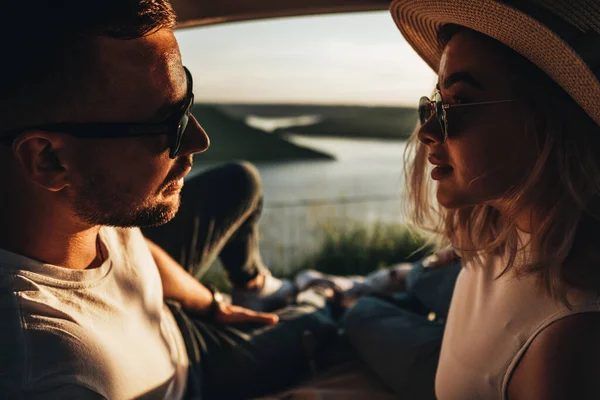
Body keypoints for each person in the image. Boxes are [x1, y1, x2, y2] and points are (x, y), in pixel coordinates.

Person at [0, 2, 338, 399]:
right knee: (324, 319)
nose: (200, 140)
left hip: (165, 322)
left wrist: (213, 305)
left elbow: (137, 251)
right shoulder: (54, 373)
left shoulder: (79, 208)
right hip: (189, 374)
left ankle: (254, 285)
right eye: (166, 125)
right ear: (48, 159)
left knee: (238, 181)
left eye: (186, 104)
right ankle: (326, 292)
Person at [389, 0, 600, 399]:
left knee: (366, 315)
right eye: (436, 104)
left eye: (461, 103)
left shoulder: (566, 343)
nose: (427, 131)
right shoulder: (497, 235)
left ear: (548, 121)